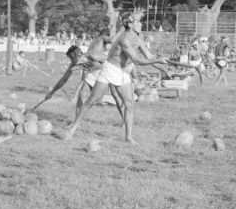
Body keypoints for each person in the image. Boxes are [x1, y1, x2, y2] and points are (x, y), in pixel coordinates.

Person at [64, 10, 168, 145]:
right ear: (130, 24)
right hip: (109, 70)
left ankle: (128, 136)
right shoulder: (124, 39)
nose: (141, 24)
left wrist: (160, 60)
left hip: (123, 72)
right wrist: (157, 61)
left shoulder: (138, 39)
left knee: (129, 104)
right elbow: (136, 60)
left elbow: (149, 56)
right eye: (138, 22)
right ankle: (74, 127)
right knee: (92, 100)